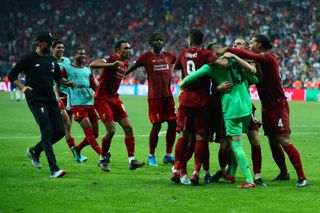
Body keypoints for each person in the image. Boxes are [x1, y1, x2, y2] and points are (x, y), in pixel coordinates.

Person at [225, 34, 308, 187]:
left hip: (278, 105)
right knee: (272, 141)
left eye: (252, 42)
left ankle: (302, 177)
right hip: (267, 107)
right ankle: (284, 173)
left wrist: (228, 50)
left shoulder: (267, 57)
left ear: (260, 45)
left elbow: (246, 55)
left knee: (283, 140)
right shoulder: (257, 61)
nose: (249, 45)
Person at [181, 43, 258, 188]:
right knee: (236, 140)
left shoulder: (209, 67)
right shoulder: (235, 62)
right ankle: (232, 174)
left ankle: (249, 180)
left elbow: (186, 80)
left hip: (232, 109)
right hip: (247, 107)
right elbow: (255, 80)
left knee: (236, 144)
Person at [8, 32, 75, 178]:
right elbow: (12, 75)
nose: (50, 45)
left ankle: (35, 151)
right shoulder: (29, 58)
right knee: (46, 131)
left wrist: (66, 82)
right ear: (39, 43)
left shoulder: (52, 60)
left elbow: (58, 77)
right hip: (36, 99)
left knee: (60, 131)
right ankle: (54, 168)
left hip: (50, 99)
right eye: (47, 42)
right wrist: (22, 87)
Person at [211, 38, 266, 186]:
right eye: (234, 44)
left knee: (254, 138)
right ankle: (227, 171)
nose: (235, 46)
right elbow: (212, 88)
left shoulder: (248, 63)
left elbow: (257, 78)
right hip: (228, 107)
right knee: (226, 144)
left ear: (246, 48)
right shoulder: (223, 63)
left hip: (246, 106)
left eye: (239, 44)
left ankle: (257, 175)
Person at [171, 28, 218, 185]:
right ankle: (196, 172)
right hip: (202, 100)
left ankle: (176, 168)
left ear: (189, 41)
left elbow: (176, 67)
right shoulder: (206, 54)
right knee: (200, 137)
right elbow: (217, 64)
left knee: (183, 135)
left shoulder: (183, 53)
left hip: (185, 99)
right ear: (202, 41)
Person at [90, 39, 145, 171]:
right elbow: (93, 64)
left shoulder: (125, 63)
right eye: (125, 48)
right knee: (111, 130)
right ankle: (103, 158)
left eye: (129, 48)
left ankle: (132, 160)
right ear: (118, 50)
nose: (128, 50)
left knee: (129, 128)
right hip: (102, 99)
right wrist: (110, 65)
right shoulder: (112, 58)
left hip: (115, 99)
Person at [125, 32, 176, 166]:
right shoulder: (146, 57)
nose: (159, 42)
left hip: (168, 96)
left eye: (160, 40)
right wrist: (121, 74)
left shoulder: (169, 56)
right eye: (156, 40)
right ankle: (151, 155)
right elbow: (132, 67)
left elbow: (181, 63)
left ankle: (168, 155)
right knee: (157, 125)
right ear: (150, 43)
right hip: (154, 97)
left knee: (173, 123)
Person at [62, 47, 102, 164]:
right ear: (74, 55)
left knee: (95, 134)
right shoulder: (67, 69)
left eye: (84, 54)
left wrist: (102, 97)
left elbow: (94, 86)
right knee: (89, 132)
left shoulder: (87, 70)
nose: (83, 56)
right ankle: (102, 155)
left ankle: (77, 149)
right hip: (77, 104)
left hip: (90, 103)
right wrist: (61, 89)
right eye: (80, 54)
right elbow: (59, 80)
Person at [51, 40, 87, 163]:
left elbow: (67, 75)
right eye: (58, 48)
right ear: (52, 49)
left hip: (67, 95)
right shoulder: (48, 60)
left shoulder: (66, 61)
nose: (61, 50)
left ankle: (76, 154)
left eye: (62, 47)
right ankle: (41, 148)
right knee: (65, 122)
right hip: (54, 94)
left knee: (68, 127)